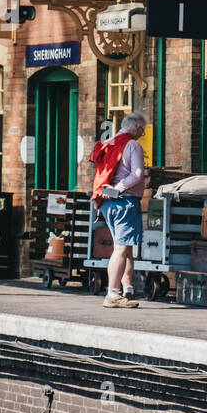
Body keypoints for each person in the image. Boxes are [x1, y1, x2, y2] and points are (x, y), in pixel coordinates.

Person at [92, 112, 147, 309]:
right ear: (136, 128)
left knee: (125, 248)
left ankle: (127, 289)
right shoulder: (132, 145)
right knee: (121, 249)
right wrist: (118, 188)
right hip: (125, 201)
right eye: (142, 130)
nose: (142, 134)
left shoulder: (110, 142)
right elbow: (137, 174)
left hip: (108, 204)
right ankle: (113, 294)